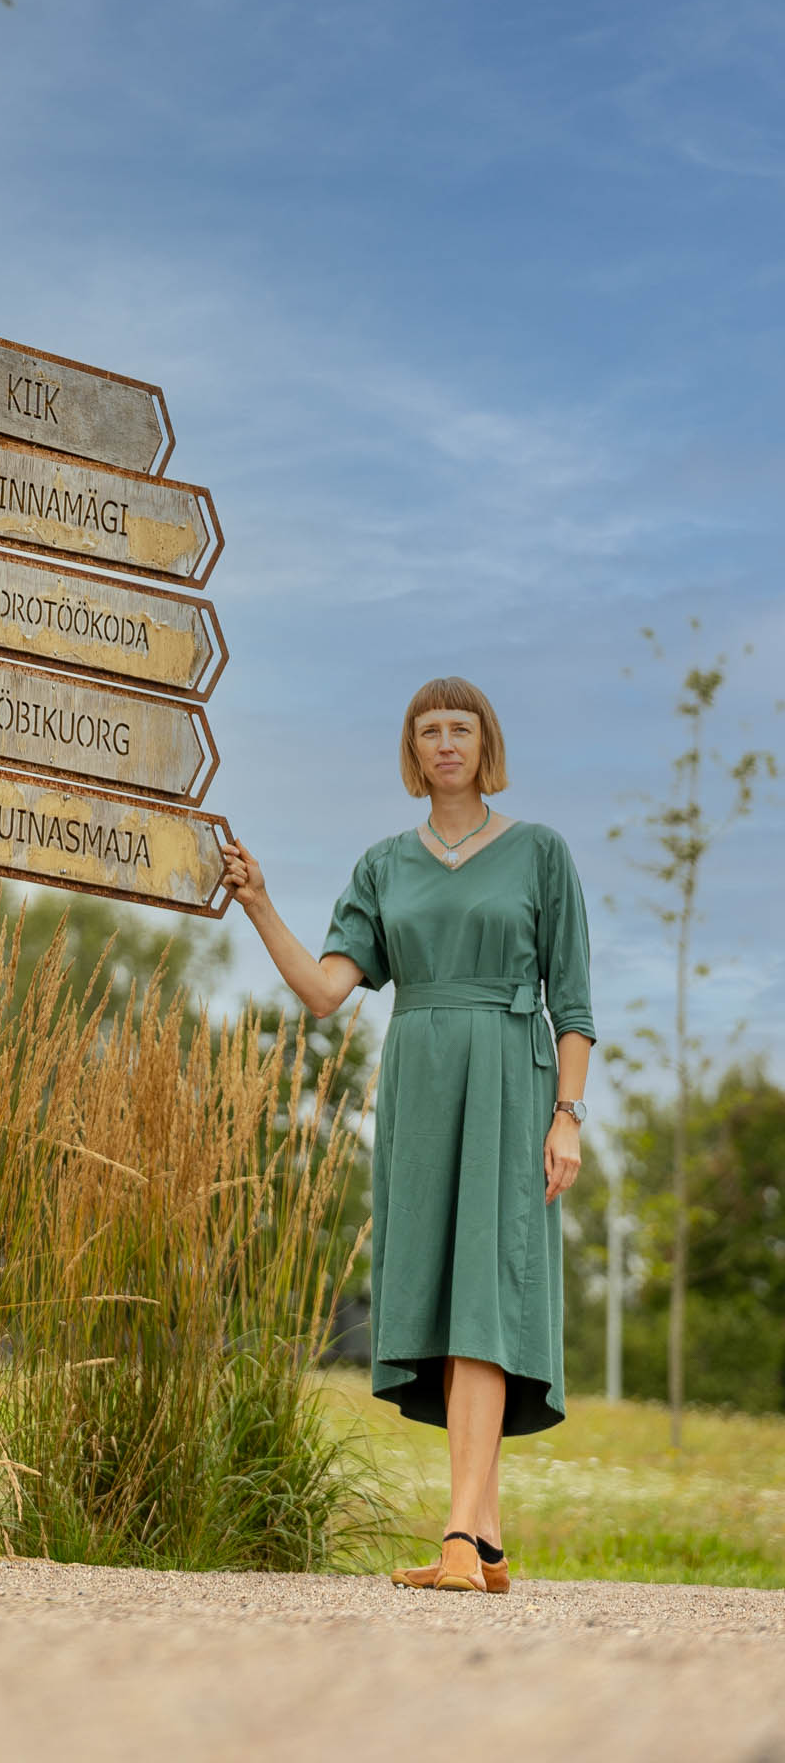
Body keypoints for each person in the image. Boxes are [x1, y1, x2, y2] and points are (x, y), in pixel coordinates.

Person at [220, 676, 594, 1594]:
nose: (444, 742)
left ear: (485, 743)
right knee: (442, 1296)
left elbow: (573, 1005)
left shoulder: (540, 852)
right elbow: (322, 992)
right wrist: (260, 901)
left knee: (485, 1296)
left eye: (460, 727)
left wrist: (567, 1118)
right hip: (422, 1083)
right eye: (428, 730)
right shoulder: (384, 864)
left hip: (513, 1074)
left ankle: (461, 1536)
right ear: (411, 751)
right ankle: (488, 1541)